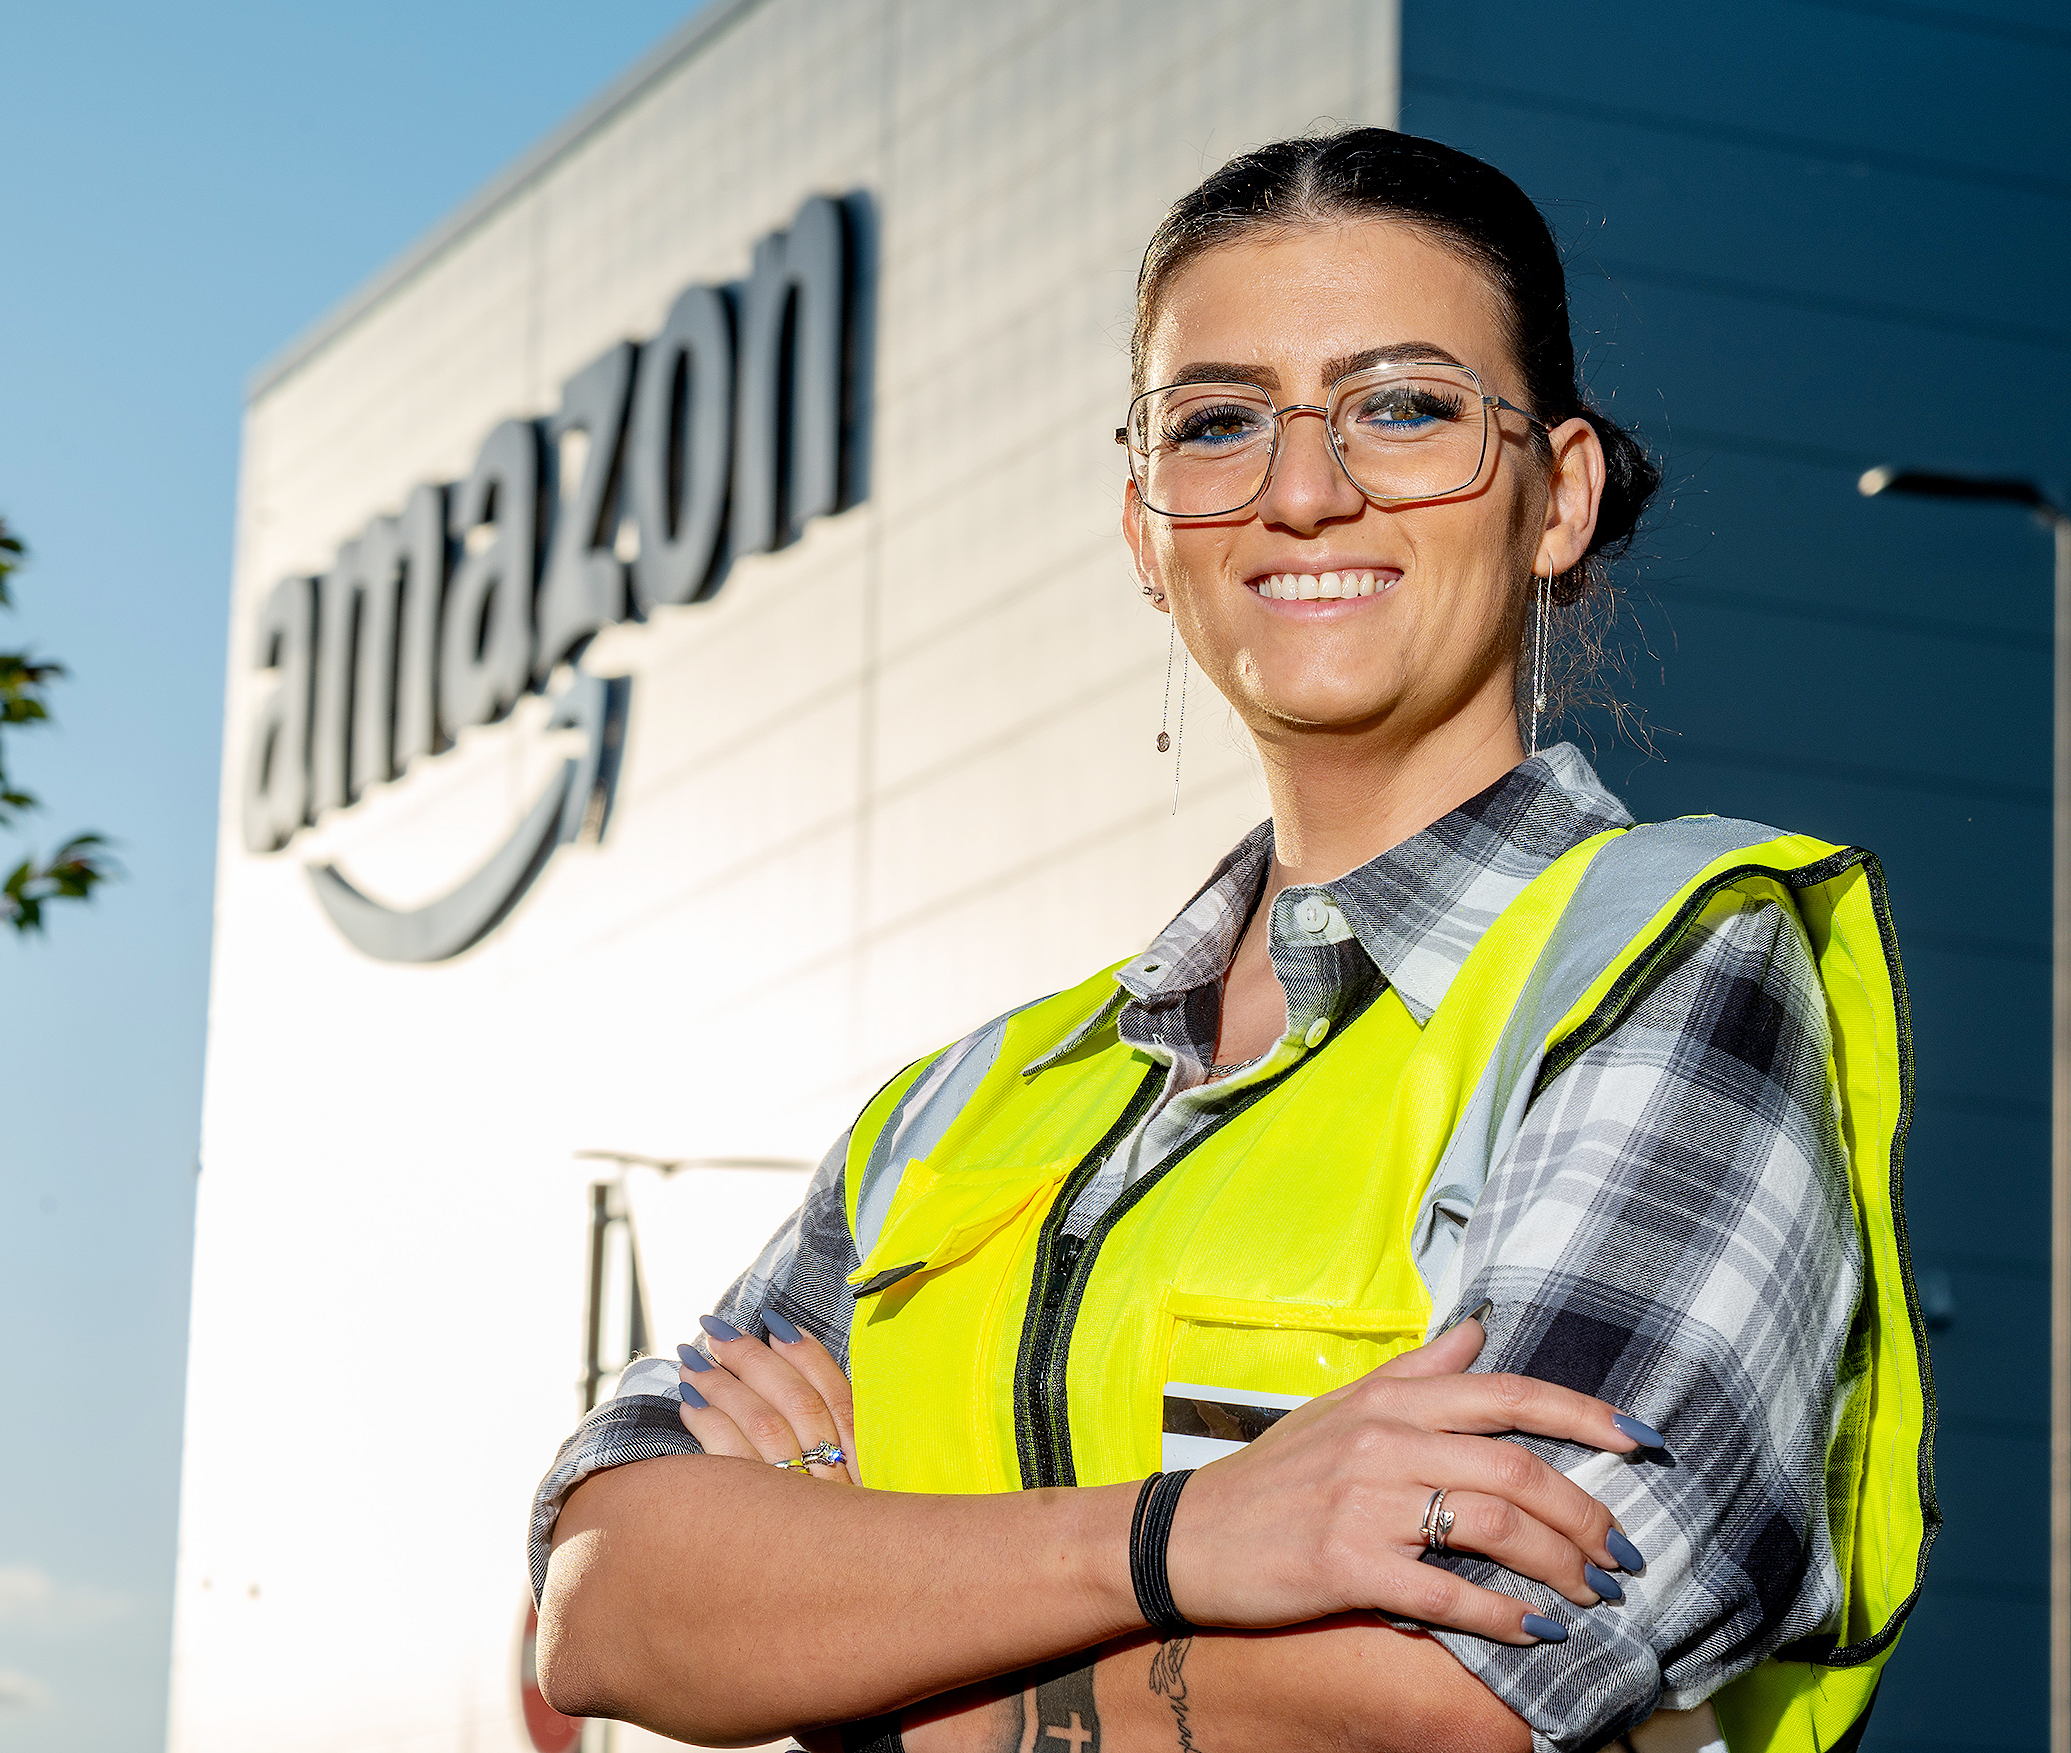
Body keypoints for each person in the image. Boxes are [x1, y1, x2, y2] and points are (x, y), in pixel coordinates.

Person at [530, 129, 1932, 1753]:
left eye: (1405, 407)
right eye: (1217, 425)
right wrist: (1189, 1539)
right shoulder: (965, 1106)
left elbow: (1451, 1693)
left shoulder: (1672, 972)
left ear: (1560, 495)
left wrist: (856, 1648)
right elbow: (607, 1608)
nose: (1304, 488)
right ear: (1146, 531)